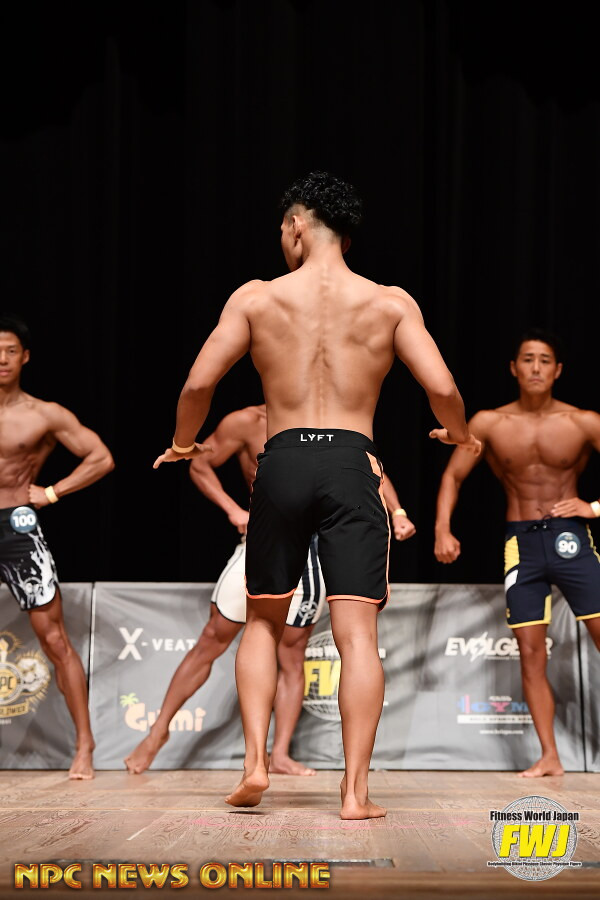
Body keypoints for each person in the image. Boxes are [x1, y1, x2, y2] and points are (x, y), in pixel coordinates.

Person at [154, 171, 479, 818]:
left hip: (281, 463)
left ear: (297, 225)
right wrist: (459, 433)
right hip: (353, 464)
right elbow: (442, 386)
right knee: (357, 635)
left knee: (262, 621)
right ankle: (354, 794)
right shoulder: (389, 303)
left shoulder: (257, 298)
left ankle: (254, 764)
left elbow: (197, 385)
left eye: (283, 229)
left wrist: (185, 444)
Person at [125, 401, 415, 776]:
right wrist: (233, 509)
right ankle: (158, 733)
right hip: (267, 540)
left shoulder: (336, 418)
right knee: (213, 637)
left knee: (292, 655)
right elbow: (199, 464)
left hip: (317, 547)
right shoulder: (247, 421)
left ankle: (278, 754)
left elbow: (369, 467)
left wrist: (398, 511)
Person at [434, 328, 600, 777]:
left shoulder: (583, 422)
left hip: (572, 538)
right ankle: (549, 756)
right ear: (513, 367)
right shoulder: (490, 423)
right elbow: (453, 477)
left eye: (544, 360)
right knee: (530, 653)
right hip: (520, 543)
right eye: (528, 359)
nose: (536, 368)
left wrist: (593, 507)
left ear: (558, 370)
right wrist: (442, 530)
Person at [0, 314, 114, 779]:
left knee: (54, 639)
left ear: (24, 357)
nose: (2, 359)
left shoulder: (43, 414)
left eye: (10, 350)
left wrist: (52, 492)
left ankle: (84, 744)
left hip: (18, 526)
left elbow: (101, 457)